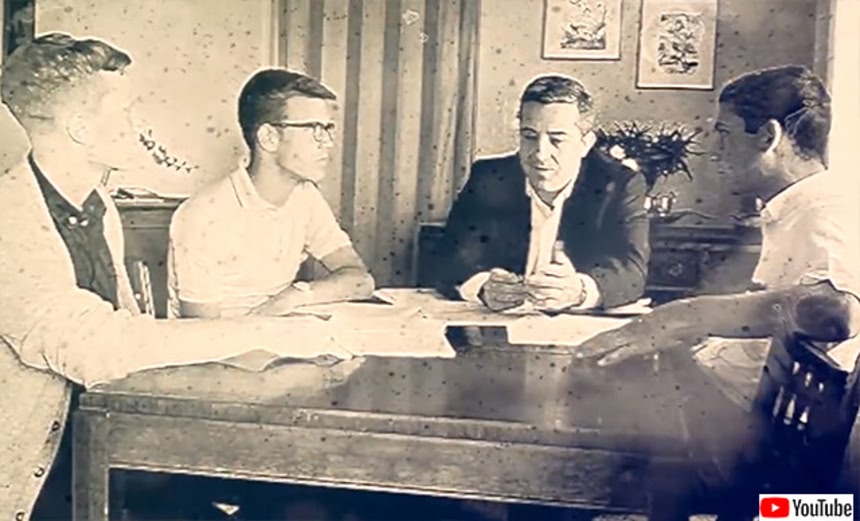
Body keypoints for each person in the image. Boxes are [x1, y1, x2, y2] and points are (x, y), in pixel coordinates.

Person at [0, 33, 352, 520]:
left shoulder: (98, 206)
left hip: (105, 446)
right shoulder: (10, 218)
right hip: (34, 480)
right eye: (126, 111)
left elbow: (130, 341)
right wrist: (267, 331)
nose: (138, 124)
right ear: (80, 127)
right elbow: (96, 347)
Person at [576, 65, 860, 511]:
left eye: (724, 133)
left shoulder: (827, 211)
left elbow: (837, 312)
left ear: (768, 137)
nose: (714, 149)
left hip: (745, 450)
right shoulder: (800, 207)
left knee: (575, 431)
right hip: (732, 414)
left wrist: (684, 316)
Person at [167, 69, 374, 319]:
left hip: (279, 331)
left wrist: (297, 295)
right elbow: (202, 332)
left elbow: (360, 280)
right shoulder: (202, 215)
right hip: (227, 339)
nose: (328, 142)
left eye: (329, 128)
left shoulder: (304, 195)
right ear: (269, 137)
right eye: (315, 128)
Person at [435, 74, 650, 313]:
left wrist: (579, 290)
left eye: (557, 140)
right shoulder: (489, 177)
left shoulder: (619, 183)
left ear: (585, 143)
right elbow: (448, 258)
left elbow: (632, 272)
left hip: (576, 325)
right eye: (529, 136)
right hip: (500, 323)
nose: (540, 153)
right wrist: (483, 287)